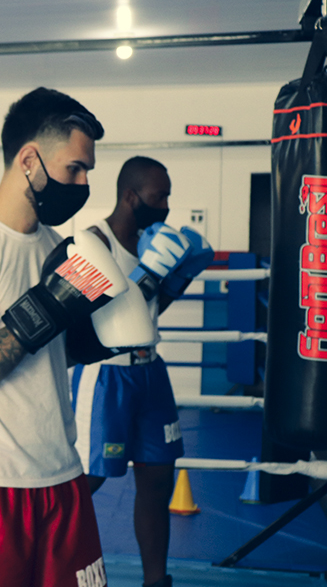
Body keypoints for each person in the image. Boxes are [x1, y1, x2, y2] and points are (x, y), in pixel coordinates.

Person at [0, 87, 123, 587]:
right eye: (74, 168)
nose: (82, 183)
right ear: (29, 160)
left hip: (62, 475)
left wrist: (94, 337)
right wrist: (53, 302)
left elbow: (54, 356)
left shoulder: (59, 249)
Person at [70, 156, 214, 587]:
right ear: (132, 196)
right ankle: (49, 569)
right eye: (159, 196)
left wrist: (172, 281)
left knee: (157, 481)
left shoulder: (154, 240)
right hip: (106, 376)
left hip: (151, 373)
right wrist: (148, 276)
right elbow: (86, 319)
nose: (166, 205)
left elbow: (148, 313)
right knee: (86, 483)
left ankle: (156, 582)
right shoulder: (89, 242)